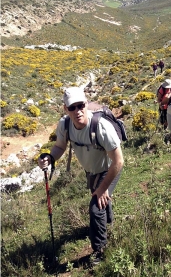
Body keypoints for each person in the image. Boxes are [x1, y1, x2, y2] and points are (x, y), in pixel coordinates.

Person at [38, 87, 124, 266]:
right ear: (65, 109)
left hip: (110, 169)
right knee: (101, 202)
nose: (78, 111)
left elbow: (118, 161)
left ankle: (100, 250)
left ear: (86, 104)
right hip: (92, 171)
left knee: (96, 207)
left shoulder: (100, 126)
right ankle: (109, 224)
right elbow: (60, 146)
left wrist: (102, 188)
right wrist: (50, 157)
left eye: (81, 106)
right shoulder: (65, 125)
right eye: (72, 108)